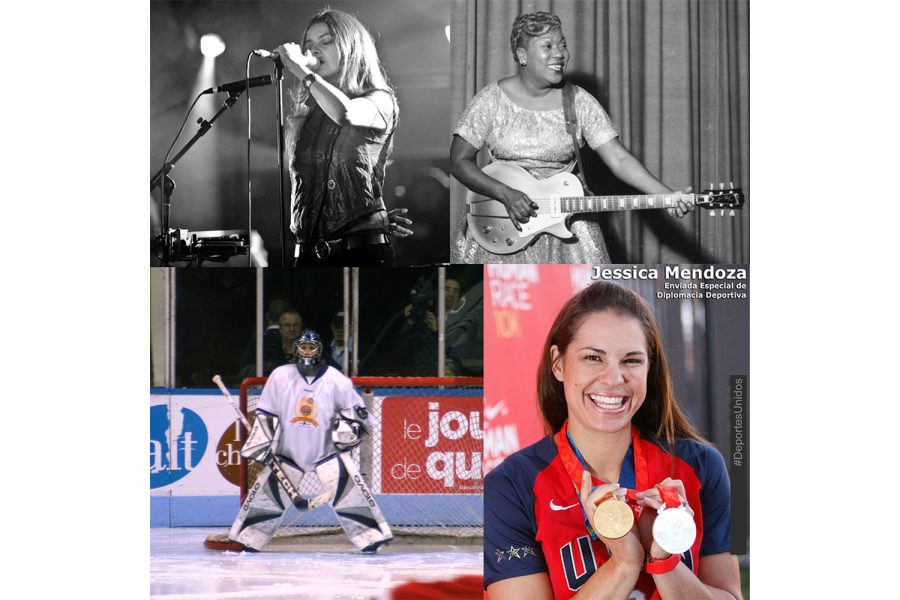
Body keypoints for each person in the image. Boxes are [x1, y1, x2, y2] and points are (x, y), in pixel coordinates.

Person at [483, 282, 741, 599]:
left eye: (631, 361)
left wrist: (664, 561)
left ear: (650, 368)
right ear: (559, 363)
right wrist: (624, 563)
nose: (613, 379)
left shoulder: (701, 466)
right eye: (593, 358)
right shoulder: (511, 484)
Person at [450, 11, 691, 264]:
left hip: (566, 224)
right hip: (503, 223)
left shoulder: (578, 101)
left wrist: (667, 195)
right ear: (522, 56)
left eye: (562, 44)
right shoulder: (491, 99)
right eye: (547, 46)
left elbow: (619, 159)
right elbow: (458, 160)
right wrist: (504, 193)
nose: (559, 54)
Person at [229, 329, 392, 552]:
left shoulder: (336, 379)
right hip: (287, 452)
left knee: (349, 493)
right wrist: (262, 443)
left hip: (326, 452)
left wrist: (347, 432)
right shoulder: (280, 375)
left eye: (310, 348)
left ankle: (370, 537)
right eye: (302, 347)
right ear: (295, 350)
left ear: (319, 351)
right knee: (267, 497)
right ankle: (248, 537)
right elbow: (267, 413)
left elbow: (358, 414)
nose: (306, 352)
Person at [273, 8, 412, 266]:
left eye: (326, 42)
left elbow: (345, 113)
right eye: (309, 45)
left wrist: (298, 69)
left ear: (352, 49)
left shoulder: (379, 99)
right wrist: (369, 214)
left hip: (359, 254)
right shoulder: (311, 113)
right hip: (307, 254)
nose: (314, 51)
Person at [263, 309, 303, 375]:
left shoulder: (310, 350)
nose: (291, 329)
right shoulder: (269, 350)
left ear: (301, 327)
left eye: (295, 325)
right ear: (280, 329)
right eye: (287, 325)